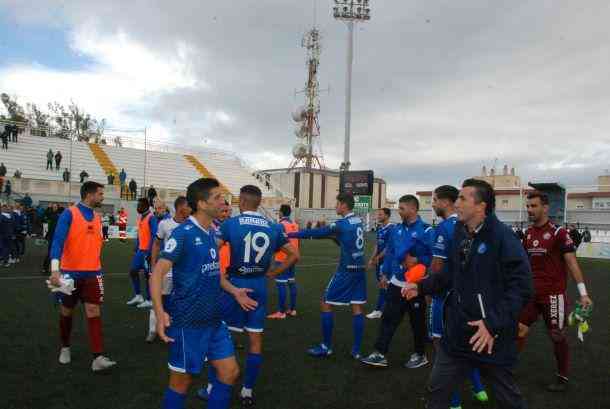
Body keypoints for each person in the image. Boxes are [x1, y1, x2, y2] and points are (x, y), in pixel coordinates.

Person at [403, 178, 532, 409]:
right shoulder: (461, 232)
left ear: (481, 206)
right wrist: (421, 287)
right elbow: (450, 273)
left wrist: (492, 324)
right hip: (458, 331)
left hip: (490, 336)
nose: (457, 203)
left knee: (507, 398)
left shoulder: (503, 237)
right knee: (437, 389)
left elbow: (521, 287)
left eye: (462, 198)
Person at [150, 178, 253, 409]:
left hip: (214, 320)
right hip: (188, 323)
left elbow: (214, 274)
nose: (223, 202)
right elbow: (157, 274)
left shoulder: (211, 233)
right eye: (217, 197)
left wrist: (235, 291)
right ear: (201, 203)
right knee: (181, 383)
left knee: (229, 372)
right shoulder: (183, 234)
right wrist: (159, 312)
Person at [202, 185, 298, 407]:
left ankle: (210, 387)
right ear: (258, 202)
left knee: (218, 336)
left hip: (234, 286)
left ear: (241, 202)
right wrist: (273, 272)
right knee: (255, 340)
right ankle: (247, 391)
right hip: (259, 286)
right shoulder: (273, 227)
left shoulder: (230, 224)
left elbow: (211, 252)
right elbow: (294, 254)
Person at [517, 191, 593, 392]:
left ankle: (563, 376)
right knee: (519, 329)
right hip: (531, 295)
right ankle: (506, 368)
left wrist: (583, 293)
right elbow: (523, 264)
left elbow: (571, 262)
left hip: (553, 296)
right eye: (528, 206)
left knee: (557, 335)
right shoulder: (528, 234)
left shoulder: (559, 233)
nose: (529, 210)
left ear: (545, 208)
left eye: (533, 206)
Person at [287, 193, 367, 360]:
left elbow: (318, 232)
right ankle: (357, 350)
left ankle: (326, 346)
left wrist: (290, 235)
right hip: (360, 269)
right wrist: (336, 239)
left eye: (337, 204)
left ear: (344, 205)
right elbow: (344, 239)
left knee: (325, 303)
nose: (335, 207)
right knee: (357, 307)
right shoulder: (358, 221)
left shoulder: (342, 223)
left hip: (346, 271)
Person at [428, 185, 487, 408]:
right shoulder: (468, 225)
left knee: (441, 347)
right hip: (467, 297)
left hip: (445, 297)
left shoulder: (444, 227)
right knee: (463, 345)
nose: (433, 204)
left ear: (445, 202)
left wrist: (427, 287)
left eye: (434, 200)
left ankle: (453, 401)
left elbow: (437, 265)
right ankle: (479, 388)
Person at [48, 181, 117, 372]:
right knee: (66, 312)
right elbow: (57, 242)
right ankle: (65, 347)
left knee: (94, 312)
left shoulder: (97, 216)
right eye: (100, 194)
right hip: (69, 274)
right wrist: (55, 270)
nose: (103, 197)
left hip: (93, 274)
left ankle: (98, 357)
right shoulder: (69, 213)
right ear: (89, 195)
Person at [361, 195, 433, 369]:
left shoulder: (427, 230)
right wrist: (385, 274)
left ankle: (420, 354)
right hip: (396, 282)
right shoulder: (396, 230)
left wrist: (417, 260)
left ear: (413, 209)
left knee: (417, 322)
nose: (398, 211)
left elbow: (434, 257)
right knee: (388, 318)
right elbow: (391, 253)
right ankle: (379, 353)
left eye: (401, 208)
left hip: (414, 285)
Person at [146, 196, 191, 343]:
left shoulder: (191, 225)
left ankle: (174, 330)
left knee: (180, 301)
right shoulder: (165, 224)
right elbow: (157, 244)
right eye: (188, 206)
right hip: (167, 270)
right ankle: (153, 330)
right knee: (159, 298)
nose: (190, 209)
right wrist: (153, 264)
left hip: (184, 271)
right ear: (180, 208)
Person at [267, 204, 300, 319]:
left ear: (281, 212)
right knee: (291, 283)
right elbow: (298, 241)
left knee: (281, 284)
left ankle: (281, 312)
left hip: (282, 258)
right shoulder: (295, 224)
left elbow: (276, 241)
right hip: (293, 258)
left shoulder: (281, 225)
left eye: (279, 211)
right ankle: (293, 309)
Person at [126, 198, 158, 308]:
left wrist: (150, 252)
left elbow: (154, 236)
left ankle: (150, 299)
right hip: (140, 251)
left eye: (139, 205)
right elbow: (141, 234)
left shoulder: (151, 218)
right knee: (133, 271)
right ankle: (138, 296)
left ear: (145, 206)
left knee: (148, 275)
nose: (137, 208)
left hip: (147, 252)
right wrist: (137, 246)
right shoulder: (141, 218)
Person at [365, 208, 394, 319]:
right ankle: (387, 308)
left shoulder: (391, 228)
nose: (378, 216)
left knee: (384, 285)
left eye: (380, 214)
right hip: (379, 261)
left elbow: (389, 247)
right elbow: (377, 244)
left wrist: (379, 257)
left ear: (387, 215)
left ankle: (379, 310)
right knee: (385, 286)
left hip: (387, 262)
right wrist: (372, 258)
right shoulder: (380, 228)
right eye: (378, 214)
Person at [42, 203, 61, 274]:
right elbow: (43, 216)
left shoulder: (59, 215)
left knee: (57, 254)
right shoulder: (50, 214)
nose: (54, 208)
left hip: (58, 237)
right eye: (53, 207)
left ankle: (54, 269)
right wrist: (48, 208)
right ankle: (45, 268)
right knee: (50, 253)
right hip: (51, 237)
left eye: (55, 207)